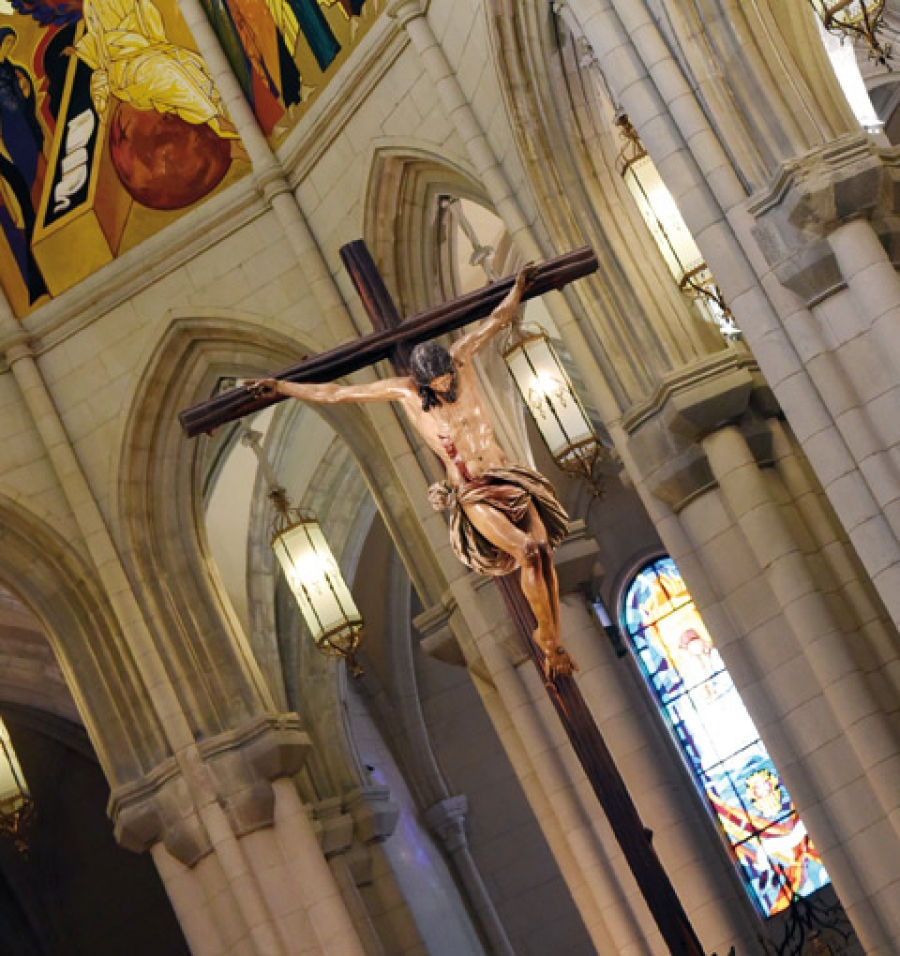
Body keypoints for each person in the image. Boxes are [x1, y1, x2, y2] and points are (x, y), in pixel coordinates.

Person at [249, 265, 577, 678]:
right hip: (473, 490)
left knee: (544, 551)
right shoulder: (405, 393)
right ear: (422, 384)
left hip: (508, 476)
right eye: (436, 384)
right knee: (527, 551)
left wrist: (518, 288)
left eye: (447, 378)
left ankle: (554, 642)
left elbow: (496, 320)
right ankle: (548, 642)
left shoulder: (462, 359)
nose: (445, 386)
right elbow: (337, 393)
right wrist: (283, 387)